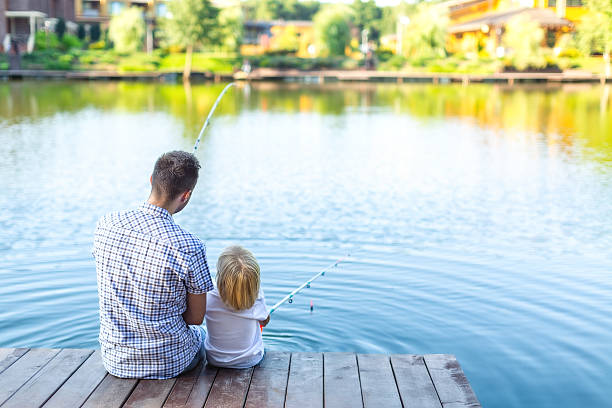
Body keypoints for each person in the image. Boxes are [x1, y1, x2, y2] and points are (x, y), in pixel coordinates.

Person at [93, 151, 213, 379]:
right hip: (171, 363)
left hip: (116, 360)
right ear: (186, 195)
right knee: (203, 334)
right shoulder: (190, 246)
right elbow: (196, 318)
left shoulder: (105, 225)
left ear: (151, 180)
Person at [204, 246, 270, 368]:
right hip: (249, 361)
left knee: (202, 333)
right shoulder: (257, 294)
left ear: (220, 274)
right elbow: (264, 321)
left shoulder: (208, 293)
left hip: (214, 359)